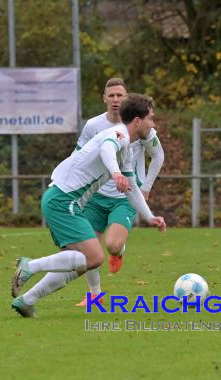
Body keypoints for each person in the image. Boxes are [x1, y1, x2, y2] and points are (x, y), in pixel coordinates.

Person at [10, 93, 166, 318]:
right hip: (63, 200)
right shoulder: (118, 134)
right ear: (138, 121)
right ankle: (30, 266)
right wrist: (114, 173)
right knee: (94, 258)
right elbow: (106, 149)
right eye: (151, 118)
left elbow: (131, 185)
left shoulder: (128, 149)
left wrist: (149, 216)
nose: (153, 123)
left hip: (62, 200)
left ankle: (26, 300)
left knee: (80, 263)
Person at [74, 78, 164, 307]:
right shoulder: (93, 125)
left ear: (127, 99)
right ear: (104, 98)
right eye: (111, 95)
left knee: (112, 245)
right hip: (94, 196)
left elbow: (158, 157)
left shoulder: (141, 127)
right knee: (88, 248)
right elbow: (79, 155)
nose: (115, 100)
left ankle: (119, 252)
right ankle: (95, 294)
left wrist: (145, 188)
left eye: (120, 96)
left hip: (124, 197)